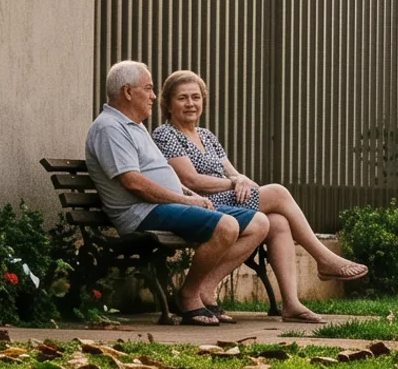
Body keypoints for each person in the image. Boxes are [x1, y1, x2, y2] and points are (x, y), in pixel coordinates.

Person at [153, 69, 368, 324]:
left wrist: (241, 179)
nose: (190, 103)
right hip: (200, 204)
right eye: (182, 98)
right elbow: (191, 180)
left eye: (196, 97)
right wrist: (234, 183)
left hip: (225, 200)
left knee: (278, 222)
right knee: (277, 192)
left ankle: (291, 304)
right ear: (168, 104)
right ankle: (323, 259)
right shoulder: (166, 134)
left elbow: (233, 173)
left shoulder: (207, 136)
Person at [85, 60, 268, 326]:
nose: (153, 96)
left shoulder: (135, 126)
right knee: (226, 226)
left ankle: (203, 289)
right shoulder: (110, 128)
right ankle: (188, 296)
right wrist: (185, 200)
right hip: (142, 213)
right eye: (148, 88)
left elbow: (161, 174)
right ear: (127, 92)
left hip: (165, 206)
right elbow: (134, 183)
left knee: (259, 223)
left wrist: (190, 196)